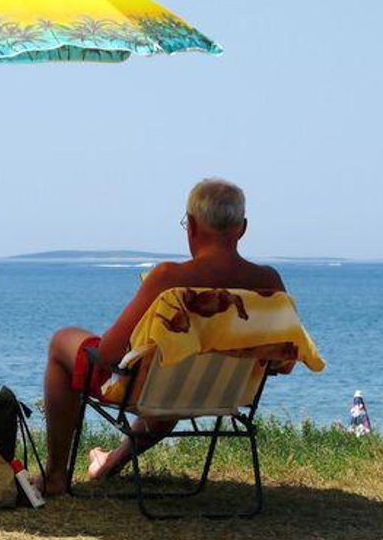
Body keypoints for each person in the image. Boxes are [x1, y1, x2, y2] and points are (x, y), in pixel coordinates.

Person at [37, 178, 286, 496]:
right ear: (243, 228)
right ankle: (110, 462)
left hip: (155, 393)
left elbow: (111, 354)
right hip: (224, 394)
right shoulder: (269, 282)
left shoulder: (169, 278)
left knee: (64, 340)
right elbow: (280, 362)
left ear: (192, 227)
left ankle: (56, 475)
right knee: (171, 373)